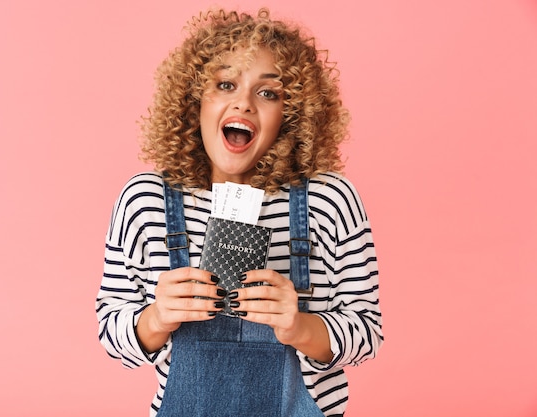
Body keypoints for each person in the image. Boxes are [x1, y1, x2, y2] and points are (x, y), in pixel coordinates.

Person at [96, 8, 383, 416]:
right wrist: (157, 318)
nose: (243, 104)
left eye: (268, 93)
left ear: (292, 113)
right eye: (225, 84)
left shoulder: (329, 200)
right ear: (195, 101)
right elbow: (112, 335)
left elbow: (367, 333)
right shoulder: (146, 200)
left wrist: (299, 327)